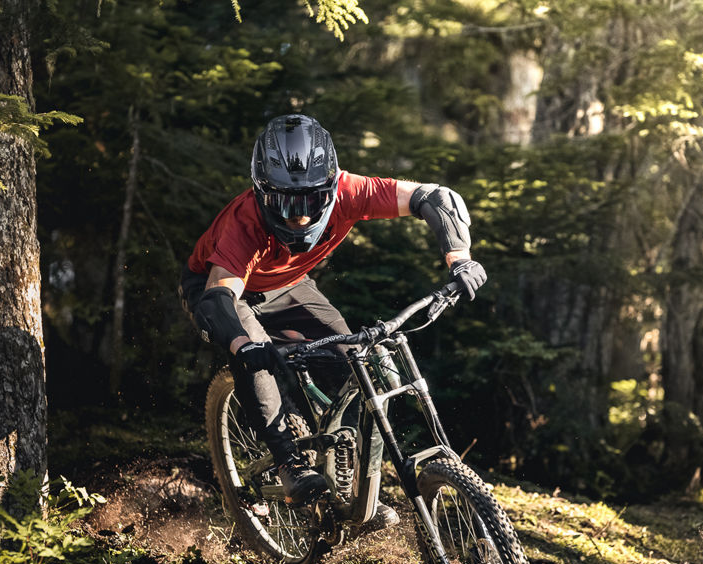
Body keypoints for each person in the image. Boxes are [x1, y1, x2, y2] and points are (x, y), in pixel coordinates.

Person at [179, 114, 486, 518]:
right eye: (285, 203)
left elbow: (434, 197)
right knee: (254, 363)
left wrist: (459, 259)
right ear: (261, 193)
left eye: (310, 201)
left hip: (286, 284)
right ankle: (287, 462)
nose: (299, 217)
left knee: (352, 360)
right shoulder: (244, 223)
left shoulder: (351, 191)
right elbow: (220, 296)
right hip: (219, 289)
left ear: (330, 187)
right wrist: (242, 344)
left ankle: (348, 485)